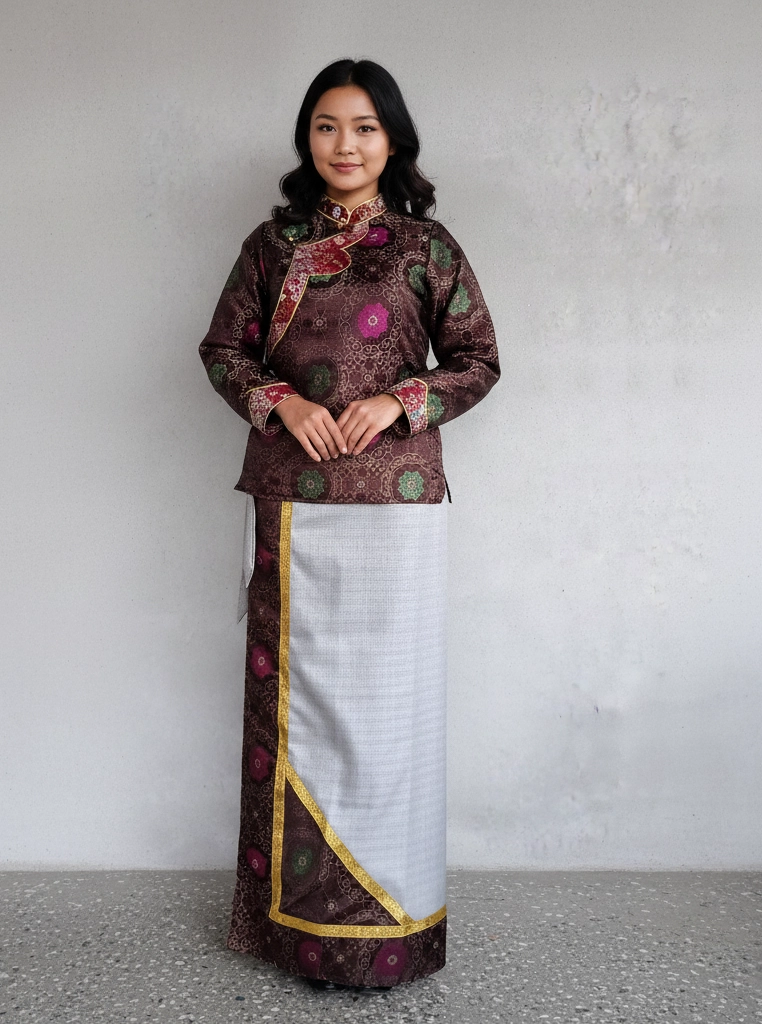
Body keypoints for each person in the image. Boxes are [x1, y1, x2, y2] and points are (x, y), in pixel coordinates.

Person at [198, 58, 500, 989]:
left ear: (393, 140)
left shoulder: (425, 246)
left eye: (365, 127)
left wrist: (400, 401)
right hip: (294, 504)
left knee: (390, 715)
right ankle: (297, 929)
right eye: (327, 126)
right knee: (303, 712)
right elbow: (223, 349)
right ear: (307, 137)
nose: (345, 144)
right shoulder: (272, 245)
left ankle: (391, 926)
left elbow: (478, 360)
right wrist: (282, 403)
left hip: (397, 511)